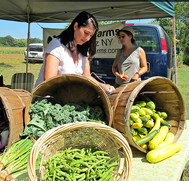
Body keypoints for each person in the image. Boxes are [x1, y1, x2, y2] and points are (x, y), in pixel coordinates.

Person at [34, 11, 114, 94]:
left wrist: (102, 86)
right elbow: (49, 82)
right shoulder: (56, 46)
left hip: (68, 98)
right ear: (75, 26)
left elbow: (86, 76)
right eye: (86, 33)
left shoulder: (83, 51)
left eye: (91, 36)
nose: (88, 38)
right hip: (47, 99)